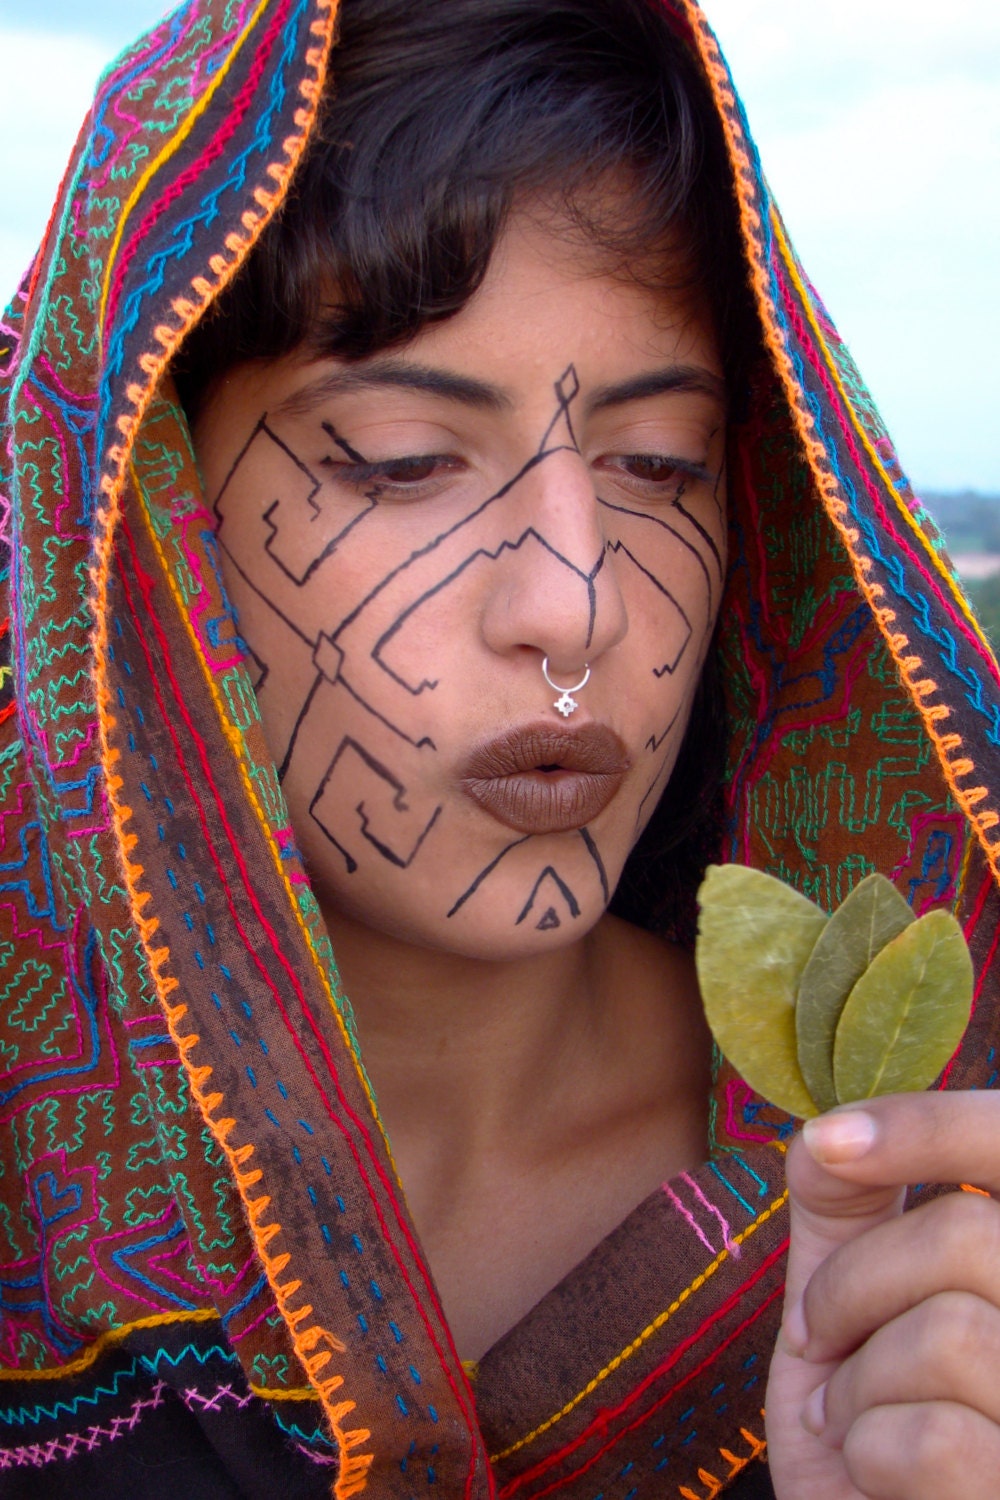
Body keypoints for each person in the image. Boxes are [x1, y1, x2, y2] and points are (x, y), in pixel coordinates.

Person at [1, 0, 999, 1496]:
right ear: (145, 526)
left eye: (660, 466)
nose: (572, 604)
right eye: (403, 462)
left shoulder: (938, 1201)